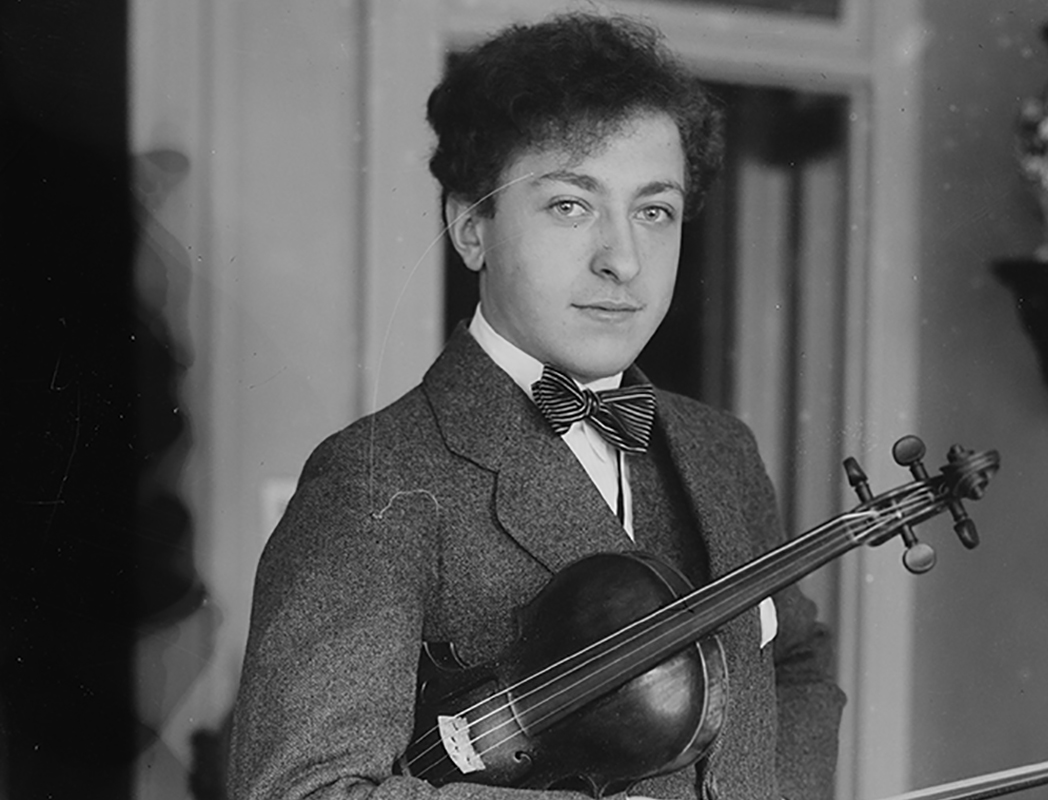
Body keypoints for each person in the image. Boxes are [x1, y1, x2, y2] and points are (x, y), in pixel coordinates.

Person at [228, 12, 844, 800]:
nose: (622, 260)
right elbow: (306, 792)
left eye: (653, 211)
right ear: (470, 228)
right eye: (569, 206)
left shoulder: (722, 448)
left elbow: (795, 659)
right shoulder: (374, 480)